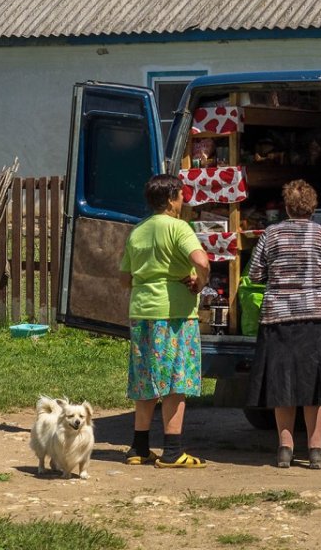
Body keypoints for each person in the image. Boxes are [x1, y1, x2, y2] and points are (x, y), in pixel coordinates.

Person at [246, 179, 321, 469]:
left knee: (281, 383)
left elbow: (256, 274)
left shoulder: (270, 234)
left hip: (279, 317)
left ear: (286, 207)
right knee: (317, 386)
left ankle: (285, 449)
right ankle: (316, 450)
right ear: (314, 207)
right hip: (317, 317)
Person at [119, 173, 211, 468]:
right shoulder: (178, 228)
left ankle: (139, 448)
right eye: (181, 196)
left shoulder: (138, 230)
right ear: (172, 199)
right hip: (174, 315)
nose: (183, 201)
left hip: (142, 312)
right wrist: (200, 281)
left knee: (145, 379)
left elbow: (125, 278)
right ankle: (173, 451)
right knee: (176, 378)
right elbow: (202, 261)